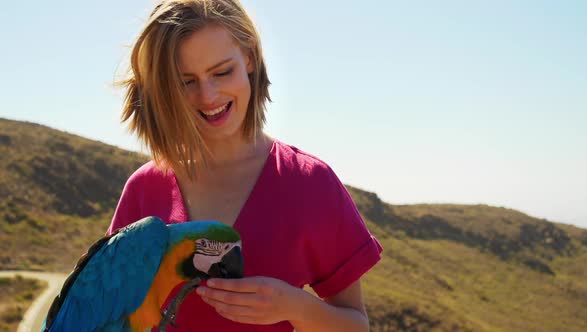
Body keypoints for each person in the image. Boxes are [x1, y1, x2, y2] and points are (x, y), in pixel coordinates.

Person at [107, 0, 383, 331]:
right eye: (186, 81)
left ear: (249, 58)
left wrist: (293, 306)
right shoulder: (143, 189)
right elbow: (110, 313)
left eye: (222, 72)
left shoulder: (310, 182)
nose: (208, 96)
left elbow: (356, 325)